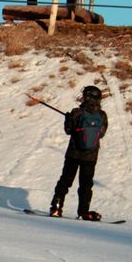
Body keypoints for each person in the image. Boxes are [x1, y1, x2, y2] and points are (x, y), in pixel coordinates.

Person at [49, 84, 108, 221]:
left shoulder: (77, 112)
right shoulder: (102, 115)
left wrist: (68, 119)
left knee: (65, 181)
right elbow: (101, 134)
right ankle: (84, 212)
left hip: (73, 154)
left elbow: (68, 130)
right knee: (86, 185)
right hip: (91, 156)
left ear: (86, 97)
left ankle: (56, 208)